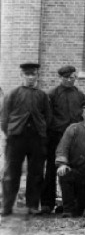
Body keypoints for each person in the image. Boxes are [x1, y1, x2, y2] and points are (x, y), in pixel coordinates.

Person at [1, 63, 52, 216]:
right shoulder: (13, 94)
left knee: (36, 172)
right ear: (21, 76)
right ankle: (7, 206)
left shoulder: (42, 95)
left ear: (37, 76)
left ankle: (32, 205)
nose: (31, 78)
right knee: (11, 172)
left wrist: (41, 130)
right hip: (16, 137)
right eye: (27, 75)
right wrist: (11, 133)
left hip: (37, 138)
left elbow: (48, 117)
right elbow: (4, 118)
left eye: (33, 75)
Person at [44, 65, 85, 213]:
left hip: (74, 137)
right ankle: (47, 203)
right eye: (66, 78)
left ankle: (71, 202)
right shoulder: (52, 94)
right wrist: (56, 128)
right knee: (51, 169)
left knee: (73, 168)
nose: (69, 80)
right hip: (56, 135)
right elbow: (48, 116)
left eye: (72, 78)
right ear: (61, 78)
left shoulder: (80, 95)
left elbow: (83, 116)